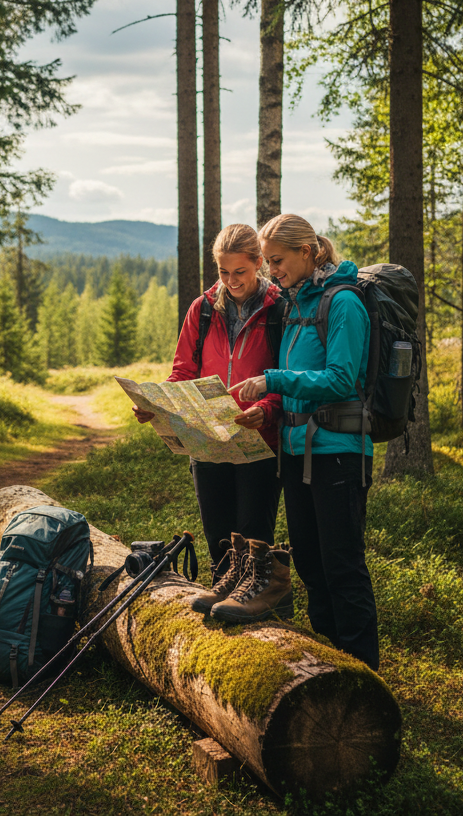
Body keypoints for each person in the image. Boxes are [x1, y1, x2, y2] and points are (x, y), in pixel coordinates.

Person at [233, 213, 380, 670]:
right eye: (269, 262)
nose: (272, 270)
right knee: (311, 566)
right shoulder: (296, 304)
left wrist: (273, 379)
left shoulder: (343, 303)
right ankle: (331, 663)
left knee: (342, 565)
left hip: (338, 452)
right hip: (296, 452)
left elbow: (340, 379)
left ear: (307, 251)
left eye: (277, 260)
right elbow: (299, 380)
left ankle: (362, 670)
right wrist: (270, 405)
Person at [131, 224, 285, 614]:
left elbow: (288, 374)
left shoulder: (280, 308)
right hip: (206, 439)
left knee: (253, 532)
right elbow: (183, 371)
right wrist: (158, 403)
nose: (230, 281)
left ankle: (263, 609)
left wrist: (266, 408)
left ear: (258, 264)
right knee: (218, 534)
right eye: (222, 272)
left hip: (260, 439)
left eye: (240, 272)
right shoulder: (201, 310)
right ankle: (223, 600)